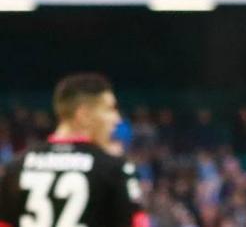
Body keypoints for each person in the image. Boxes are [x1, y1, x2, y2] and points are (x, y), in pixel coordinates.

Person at [0, 74, 146, 227]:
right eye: (109, 109)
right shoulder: (115, 170)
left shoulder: (16, 167)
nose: (116, 119)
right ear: (83, 114)